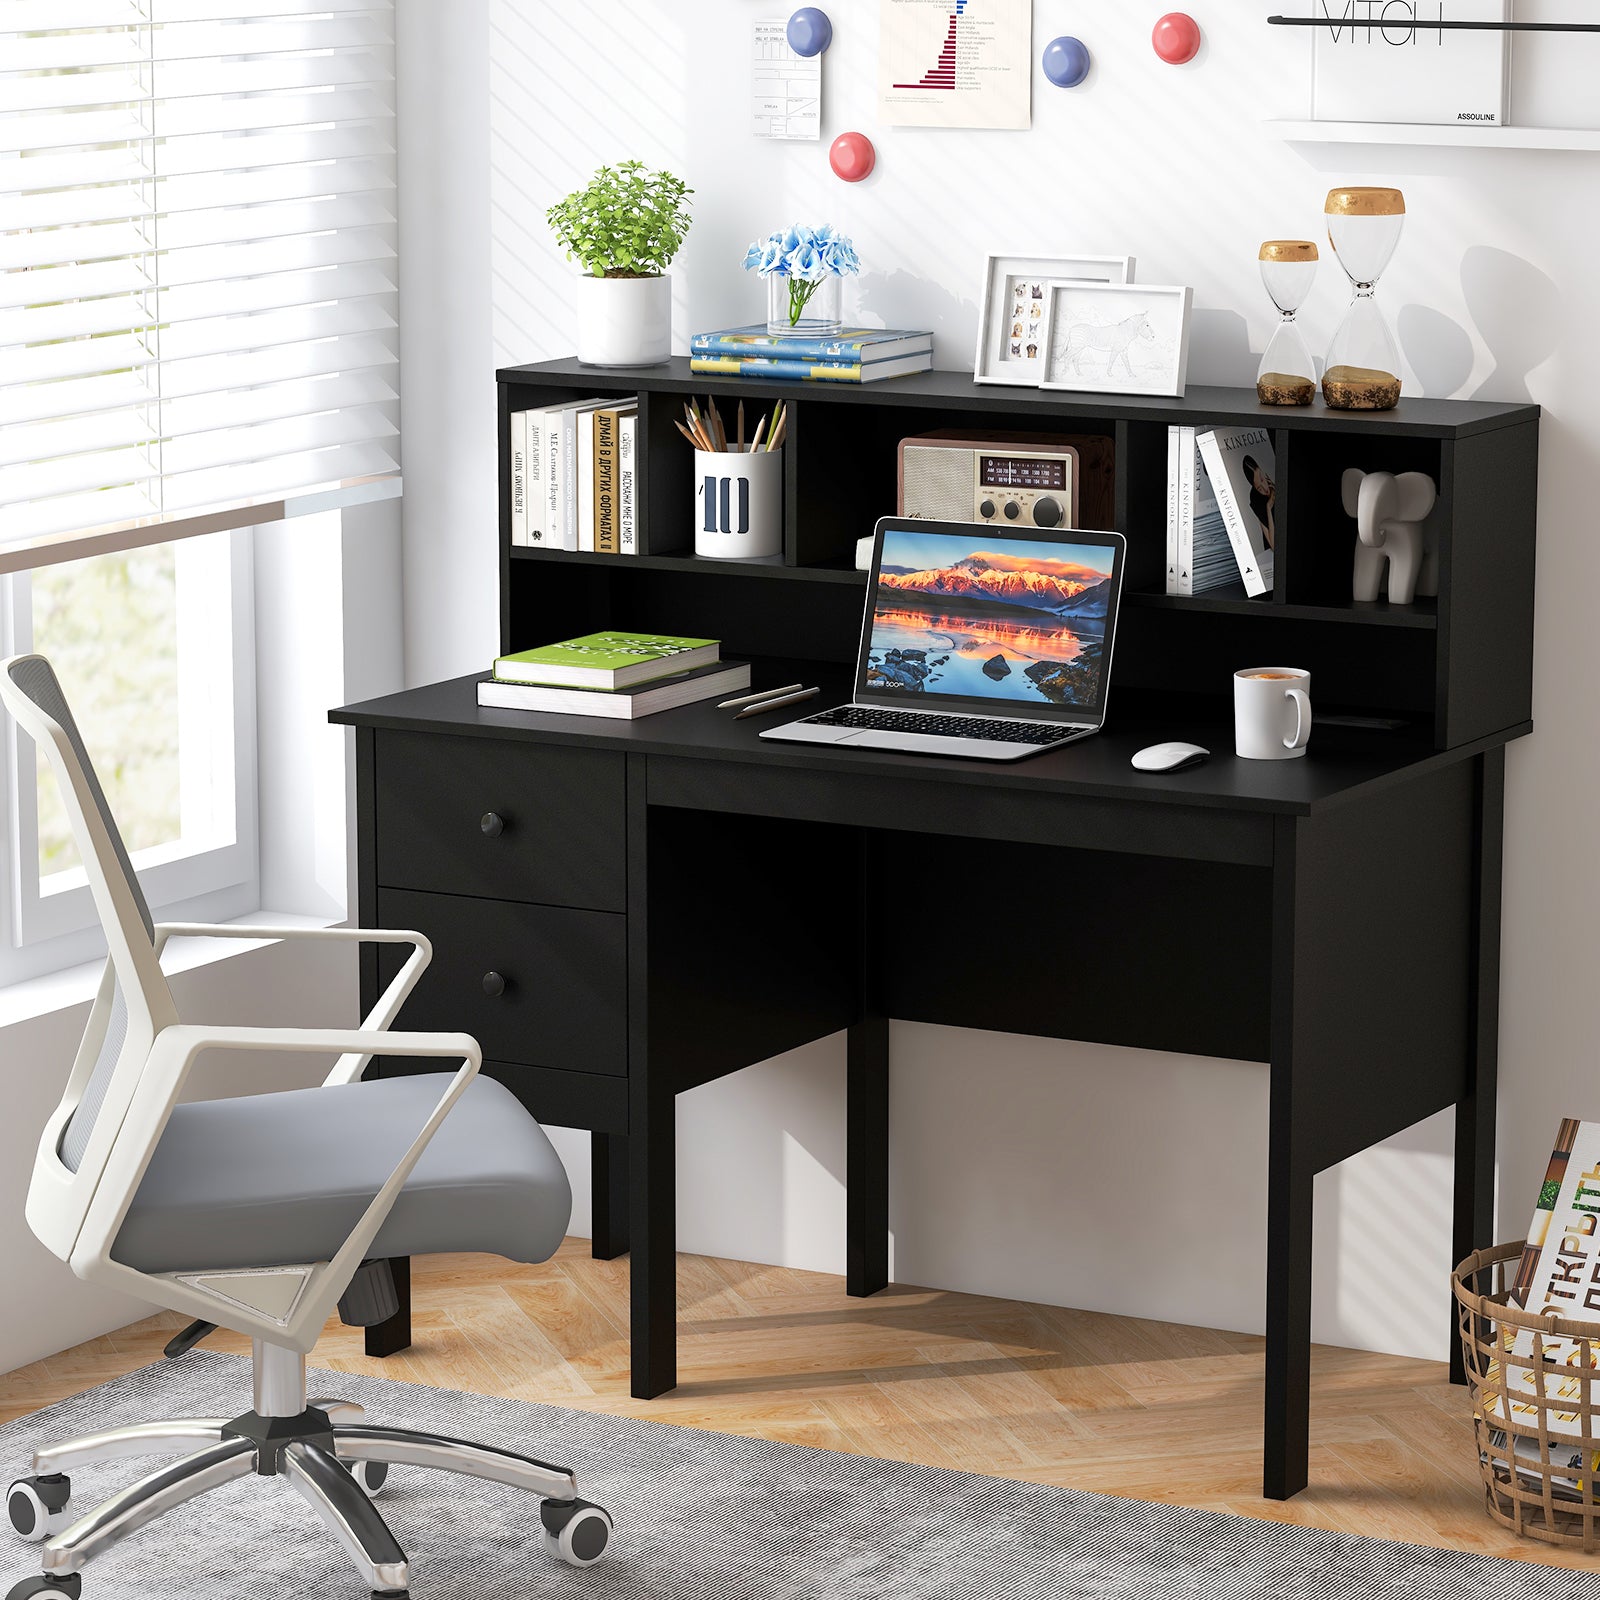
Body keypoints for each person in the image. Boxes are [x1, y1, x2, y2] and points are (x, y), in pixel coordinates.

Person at [1243, 454, 1276, 551]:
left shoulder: (1272, 480)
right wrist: (1268, 508)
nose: (1265, 489)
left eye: (1262, 479)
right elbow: (1274, 546)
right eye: (1259, 488)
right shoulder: (1256, 501)